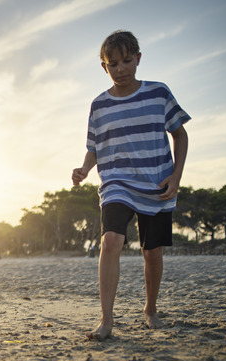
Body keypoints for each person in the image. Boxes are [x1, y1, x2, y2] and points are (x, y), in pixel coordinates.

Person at [72, 30, 190, 340]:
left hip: (156, 184)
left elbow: (180, 134)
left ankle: (150, 309)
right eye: (113, 64)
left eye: (127, 61)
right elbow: (94, 147)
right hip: (116, 183)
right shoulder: (98, 105)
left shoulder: (158, 93)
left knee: (152, 253)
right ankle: (106, 320)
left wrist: (176, 176)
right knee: (111, 240)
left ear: (138, 59)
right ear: (104, 67)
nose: (121, 69)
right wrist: (84, 169)